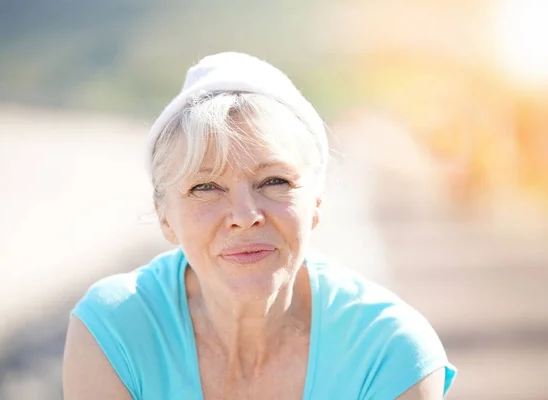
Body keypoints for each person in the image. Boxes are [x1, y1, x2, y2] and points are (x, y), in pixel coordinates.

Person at [62, 52, 457, 399]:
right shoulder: (114, 332)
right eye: (206, 187)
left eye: (273, 181)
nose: (245, 214)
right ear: (165, 216)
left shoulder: (389, 349)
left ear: (315, 202)